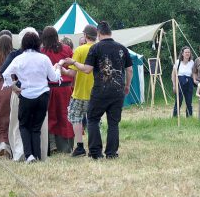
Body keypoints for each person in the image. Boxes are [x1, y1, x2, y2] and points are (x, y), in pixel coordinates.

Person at [64, 21, 133, 159]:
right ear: (110, 32)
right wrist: (127, 85)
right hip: (118, 90)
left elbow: (87, 70)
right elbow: (129, 70)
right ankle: (111, 153)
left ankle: (96, 153)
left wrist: (73, 63)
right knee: (113, 123)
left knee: (93, 119)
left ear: (99, 33)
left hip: (100, 90)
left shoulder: (95, 48)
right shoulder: (122, 48)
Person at [2, 32, 62, 163]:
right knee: (36, 128)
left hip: (26, 95)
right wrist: (58, 68)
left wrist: (14, 88)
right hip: (43, 95)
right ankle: (37, 155)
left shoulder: (18, 59)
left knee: (24, 126)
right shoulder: (44, 58)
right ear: (38, 43)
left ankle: (29, 155)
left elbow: (5, 73)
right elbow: (54, 78)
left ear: (23, 44)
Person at [61, 25, 97, 157]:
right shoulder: (99, 48)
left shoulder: (79, 50)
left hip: (80, 91)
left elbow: (71, 73)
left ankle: (80, 146)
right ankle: (95, 146)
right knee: (94, 120)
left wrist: (62, 70)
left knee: (75, 117)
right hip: (96, 92)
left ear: (85, 35)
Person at [41, 26, 74, 154]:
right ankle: (66, 147)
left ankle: (51, 146)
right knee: (65, 116)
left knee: (50, 116)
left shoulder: (42, 51)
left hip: (49, 89)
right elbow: (73, 69)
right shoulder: (66, 49)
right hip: (65, 88)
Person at [172, 46, 196, 117]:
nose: (187, 53)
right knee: (179, 100)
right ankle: (175, 116)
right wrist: (174, 85)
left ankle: (189, 116)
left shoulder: (192, 62)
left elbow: (193, 74)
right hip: (180, 82)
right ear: (182, 53)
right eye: (186, 52)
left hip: (189, 82)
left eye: (188, 52)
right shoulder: (178, 62)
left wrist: (195, 81)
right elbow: (173, 75)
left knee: (189, 101)